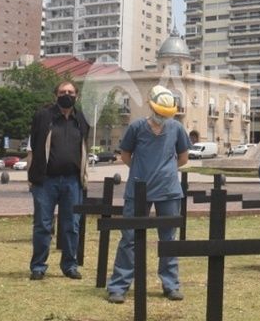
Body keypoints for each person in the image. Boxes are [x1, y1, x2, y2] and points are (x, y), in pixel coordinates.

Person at [105, 85, 190, 303]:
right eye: (160, 112)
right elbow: (125, 154)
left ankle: (171, 285)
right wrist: (140, 172)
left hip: (168, 191)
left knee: (168, 239)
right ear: (151, 106)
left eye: (166, 113)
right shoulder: (136, 127)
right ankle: (118, 286)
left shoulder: (177, 128)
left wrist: (165, 172)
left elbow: (183, 157)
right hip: (138, 190)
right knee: (129, 238)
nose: (163, 116)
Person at [27, 80, 90, 280]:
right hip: (46, 181)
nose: (66, 95)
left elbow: (84, 147)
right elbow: (33, 145)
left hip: (72, 181)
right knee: (43, 225)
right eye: (63, 92)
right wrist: (31, 175)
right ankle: (38, 266)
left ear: (76, 96)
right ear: (56, 95)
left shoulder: (81, 119)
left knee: (72, 225)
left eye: (70, 92)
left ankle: (70, 265)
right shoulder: (43, 116)